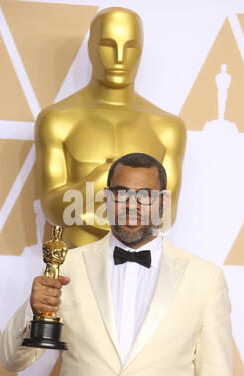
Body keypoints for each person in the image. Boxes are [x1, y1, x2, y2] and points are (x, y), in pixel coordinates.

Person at [0, 153, 235, 376]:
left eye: (144, 195)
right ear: (107, 199)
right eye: (121, 194)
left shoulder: (204, 279)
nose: (131, 205)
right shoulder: (68, 267)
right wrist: (33, 310)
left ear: (163, 201)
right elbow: (12, 360)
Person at [35, 7, 186, 248]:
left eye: (130, 47)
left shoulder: (167, 128)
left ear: (141, 51)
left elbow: (167, 215)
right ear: (91, 47)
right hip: (74, 270)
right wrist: (100, 178)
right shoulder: (57, 120)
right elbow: (52, 209)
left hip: (142, 273)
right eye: (108, 45)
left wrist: (87, 212)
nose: (119, 57)